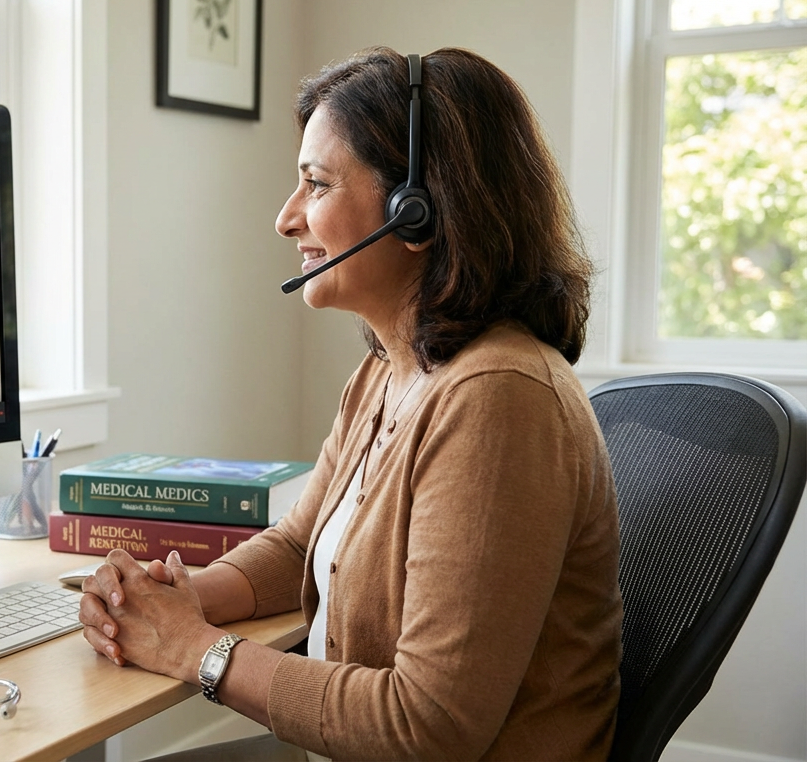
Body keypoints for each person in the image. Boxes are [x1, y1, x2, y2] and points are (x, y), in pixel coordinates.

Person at [79, 47, 622, 761]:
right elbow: (298, 548)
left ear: (417, 209)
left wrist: (193, 649)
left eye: (316, 184)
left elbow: (427, 725)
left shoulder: (498, 398)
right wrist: (170, 599)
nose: (286, 218)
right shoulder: (388, 370)